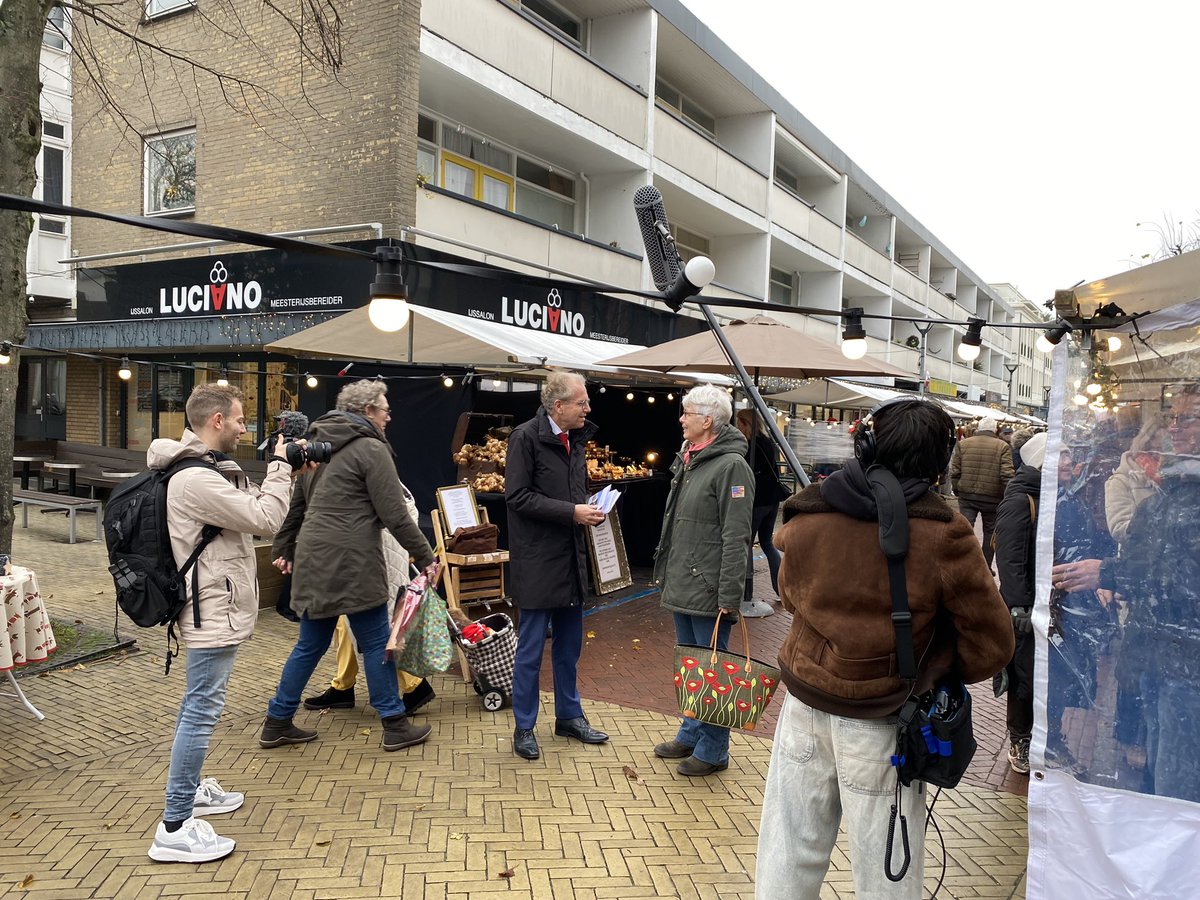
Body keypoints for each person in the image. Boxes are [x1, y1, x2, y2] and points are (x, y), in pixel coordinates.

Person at [756, 397, 1013, 899]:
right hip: (884, 717)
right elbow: (992, 644)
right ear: (938, 461)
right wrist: (932, 663)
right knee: (884, 869)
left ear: (866, 443)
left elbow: (790, 597)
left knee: (789, 849)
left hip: (804, 701)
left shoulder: (810, 509)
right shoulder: (942, 533)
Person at [147, 384, 301, 864]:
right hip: (210, 608)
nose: (243, 427)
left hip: (217, 602)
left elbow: (248, 509)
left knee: (201, 706)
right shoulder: (194, 480)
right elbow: (267, 517)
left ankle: (190, 790)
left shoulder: (207, 469)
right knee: (200, 710)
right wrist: (282, 465)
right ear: (215, 421)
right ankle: (174, 825)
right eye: (238, 419)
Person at [261, 380, 436, 753]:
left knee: (310, 643)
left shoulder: (316, 445)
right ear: (367, 411)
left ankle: (277, 721)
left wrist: (285, 546)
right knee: (375, 642)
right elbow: (395, 515)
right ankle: (394, 723)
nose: (390, 416)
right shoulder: (371, 449)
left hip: (314, 557)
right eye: (385, 409)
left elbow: (298, 505)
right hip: (352, 561)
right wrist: (426, 556)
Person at [1053, 385, 1200, 801]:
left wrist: (1110, 572)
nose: (1176, 427)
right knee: (1159, 771)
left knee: (1177, 784)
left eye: (1186, 418)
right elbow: (1141, 544)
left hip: (1185, 660)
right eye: (1174, 417)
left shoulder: (1177, 490)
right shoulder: (1173, 488)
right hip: (1160, 653)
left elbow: (1182, 577)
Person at [654, 386, 755, 777]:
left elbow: (736, 535)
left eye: (686, 412)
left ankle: (714, 750)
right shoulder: (691, 459)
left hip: (710, 588)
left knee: (713, 669)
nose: (680, 418)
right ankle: (691, 732)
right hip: (685, 580)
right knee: (691, 666)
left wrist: (730, 594)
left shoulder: (732, 467)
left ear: (707, 420)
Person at [506, 371, 608, 761]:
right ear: (558, 406)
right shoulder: (525, 438)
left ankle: (569, 716)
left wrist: (591, 508)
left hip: (571, 559)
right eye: (582, 402)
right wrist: (572, 512)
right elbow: (517, 497)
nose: (588, 408)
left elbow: (572, 490)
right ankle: (524, 726)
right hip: (537, 561)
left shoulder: (576, 439)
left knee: (570, 648)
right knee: (531, 649)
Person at [302, 480, 435, 715]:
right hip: (379, 555)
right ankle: (344, 685)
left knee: (374, 627)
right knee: (346, 622)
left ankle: (414, 685)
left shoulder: (359, 465)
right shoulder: (369, 463)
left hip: (374, 559)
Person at [992, 431, 1048, 775]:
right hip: (1024, 607)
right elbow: (1010, 558)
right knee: (1024, 677)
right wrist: (1018, 606)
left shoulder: (1050, 495)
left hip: (1044, 603)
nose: (1071, 463)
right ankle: (1019, 739)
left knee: (1038, 676)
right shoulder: (1020, 500)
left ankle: (1036, 737)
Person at [734, 408, 785, 618]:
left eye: (739, 423)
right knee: (766, 543)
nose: (738, 427)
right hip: (772, 500)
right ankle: (780, 588)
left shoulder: (750, 446)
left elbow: (744, 474)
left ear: (746, 424)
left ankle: (745, 593)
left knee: (745, 542)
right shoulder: (769, 442)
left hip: (757, 501)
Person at [949, 415, 1015, 567]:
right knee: (990, 532)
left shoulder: (963, 444)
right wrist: (1008, 496)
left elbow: (955, 471)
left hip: (967, 495)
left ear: (978, 429)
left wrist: (957, 489)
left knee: (964, 529)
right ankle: (985, 566)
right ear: (995, 430)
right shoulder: (1003, 446)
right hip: (993, 497)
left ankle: (962, 563)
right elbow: (1007, 474)